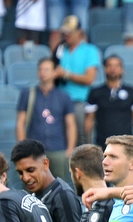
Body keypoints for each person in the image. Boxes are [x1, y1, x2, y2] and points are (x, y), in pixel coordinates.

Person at [16, 58, 77, 184]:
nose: (43, 73)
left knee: (59, 186)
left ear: (55, 72)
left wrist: (69, 149)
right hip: (34, 150)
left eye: (47, 70)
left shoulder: (64, 96)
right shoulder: (28, 94)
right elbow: (20, 122)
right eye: (41, 69)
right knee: (33, 185)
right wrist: (22, 148)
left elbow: (70, 125)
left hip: (58, 149)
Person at [54, 15, 100, 147]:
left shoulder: (89, 50)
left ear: (79, 32)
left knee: (81, 138)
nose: (66, 35)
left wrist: (66, 74)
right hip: (60, 100)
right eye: (65, 33)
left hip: (79, 100)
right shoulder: (61, 49)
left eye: (70, 32)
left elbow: (89, 78)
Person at [83, 56, 133, 146]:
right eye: (109, 66)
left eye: (117, 66)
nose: (113, 69)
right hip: (102, 144)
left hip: (126, 145)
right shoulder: (95, 92)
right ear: (104, 69)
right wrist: (88, 145)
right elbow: (89, 121)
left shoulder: (132, 92)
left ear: (122, 69)